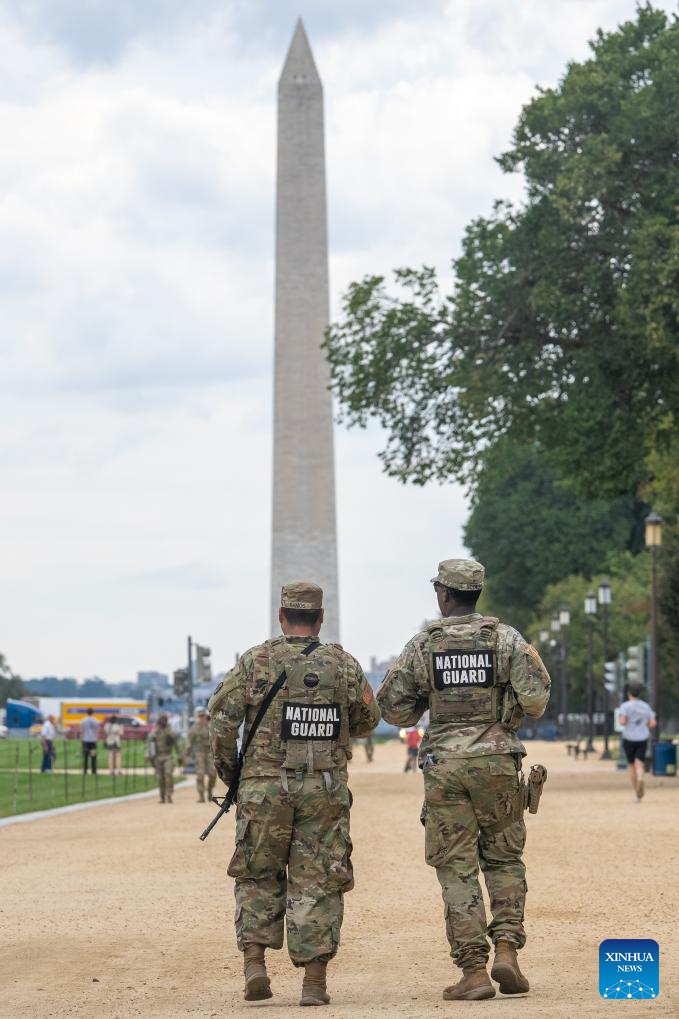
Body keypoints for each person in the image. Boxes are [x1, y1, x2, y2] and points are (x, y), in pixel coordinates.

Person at [377, 559, 551, 1002]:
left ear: (443, 594)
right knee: (504, 858)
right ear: (477, 592)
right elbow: (536, 700)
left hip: (446, 766)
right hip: (496, 762)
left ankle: (473, 970)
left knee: (456, 867)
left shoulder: (424, 645)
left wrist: (426, 702)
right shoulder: (506, 638)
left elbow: (394, 709)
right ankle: (508, 950)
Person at [209, 581, 381, 1006]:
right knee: (319, 878)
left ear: (282, 616)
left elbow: (222, 721)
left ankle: (255, 965)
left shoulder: (254, 662)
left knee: (257, 871)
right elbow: (368, 717)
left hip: (263, 787)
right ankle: (314, 983)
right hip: (323, 787)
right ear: (320, 618)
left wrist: (233, 775)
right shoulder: (343, 665)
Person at [619, 684, 656, 801]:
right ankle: (640, 778)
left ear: (629, 694)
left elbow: (623, 721)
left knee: (631, 765)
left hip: (629, 738)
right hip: (642, 738)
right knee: (639, 763)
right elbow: (653, 723)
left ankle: (636, 792)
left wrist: (625, 721)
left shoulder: (625, 706)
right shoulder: (645, 706)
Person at [146, 713, 181, 803]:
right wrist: (147, 755)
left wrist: (179, 754)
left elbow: (176, 743)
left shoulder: (169, 732)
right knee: (160, 778)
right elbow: (149, 745)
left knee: (168, 775)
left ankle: (169, 794)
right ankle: (162, 797)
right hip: (158, 757)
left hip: (168, 756)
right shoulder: (154, 733)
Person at [187, 708, 216, 803]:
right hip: (199, 753)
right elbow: (189, 743)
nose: (202, 718)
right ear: (197, 717)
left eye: (203, 716)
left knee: (212, 773)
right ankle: (201, 795)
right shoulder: (193, 729)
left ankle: (210, 791)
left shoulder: (210, 727)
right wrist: (185, 755)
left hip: (209, 753)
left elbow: (215, 740)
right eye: (200, 716)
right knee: (200, 774)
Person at [79, 707, 99, 775]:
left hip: (86, 741)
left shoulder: (83, 721)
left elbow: (82, 731)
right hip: (93, 741)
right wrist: (96, 739)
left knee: (86, 756)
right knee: (93, 756)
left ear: (87, 713)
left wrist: (81, 740)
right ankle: (94, 770)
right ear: (93, 713)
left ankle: (85, 770)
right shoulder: (96, 721)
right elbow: (97, 731)